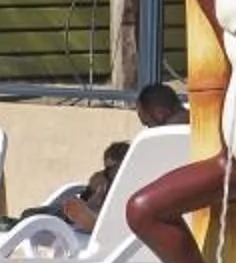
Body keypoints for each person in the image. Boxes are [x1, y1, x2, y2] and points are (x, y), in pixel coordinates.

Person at [33, 82, 188, 234]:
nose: (147, 128)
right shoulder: (195, 126)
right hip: (168, 200)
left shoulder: (168, 136)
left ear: (160, 113)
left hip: (154, 205)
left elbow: (142, 172)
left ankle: (101, 222)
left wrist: (108, 177)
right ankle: (97, 213)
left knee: (125, 187)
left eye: (147, 123)